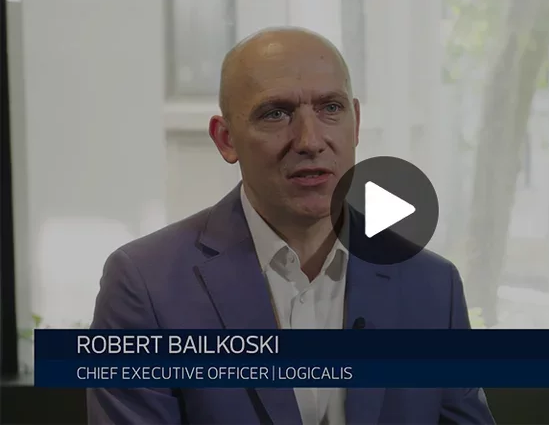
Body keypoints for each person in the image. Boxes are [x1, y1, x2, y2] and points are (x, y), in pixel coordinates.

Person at [87, 26, 495, 425]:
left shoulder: (431, 286)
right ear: (226, 139)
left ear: (355, 122)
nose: (309, 140)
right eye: (276, 113)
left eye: (330, 109)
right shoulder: (146, 286)